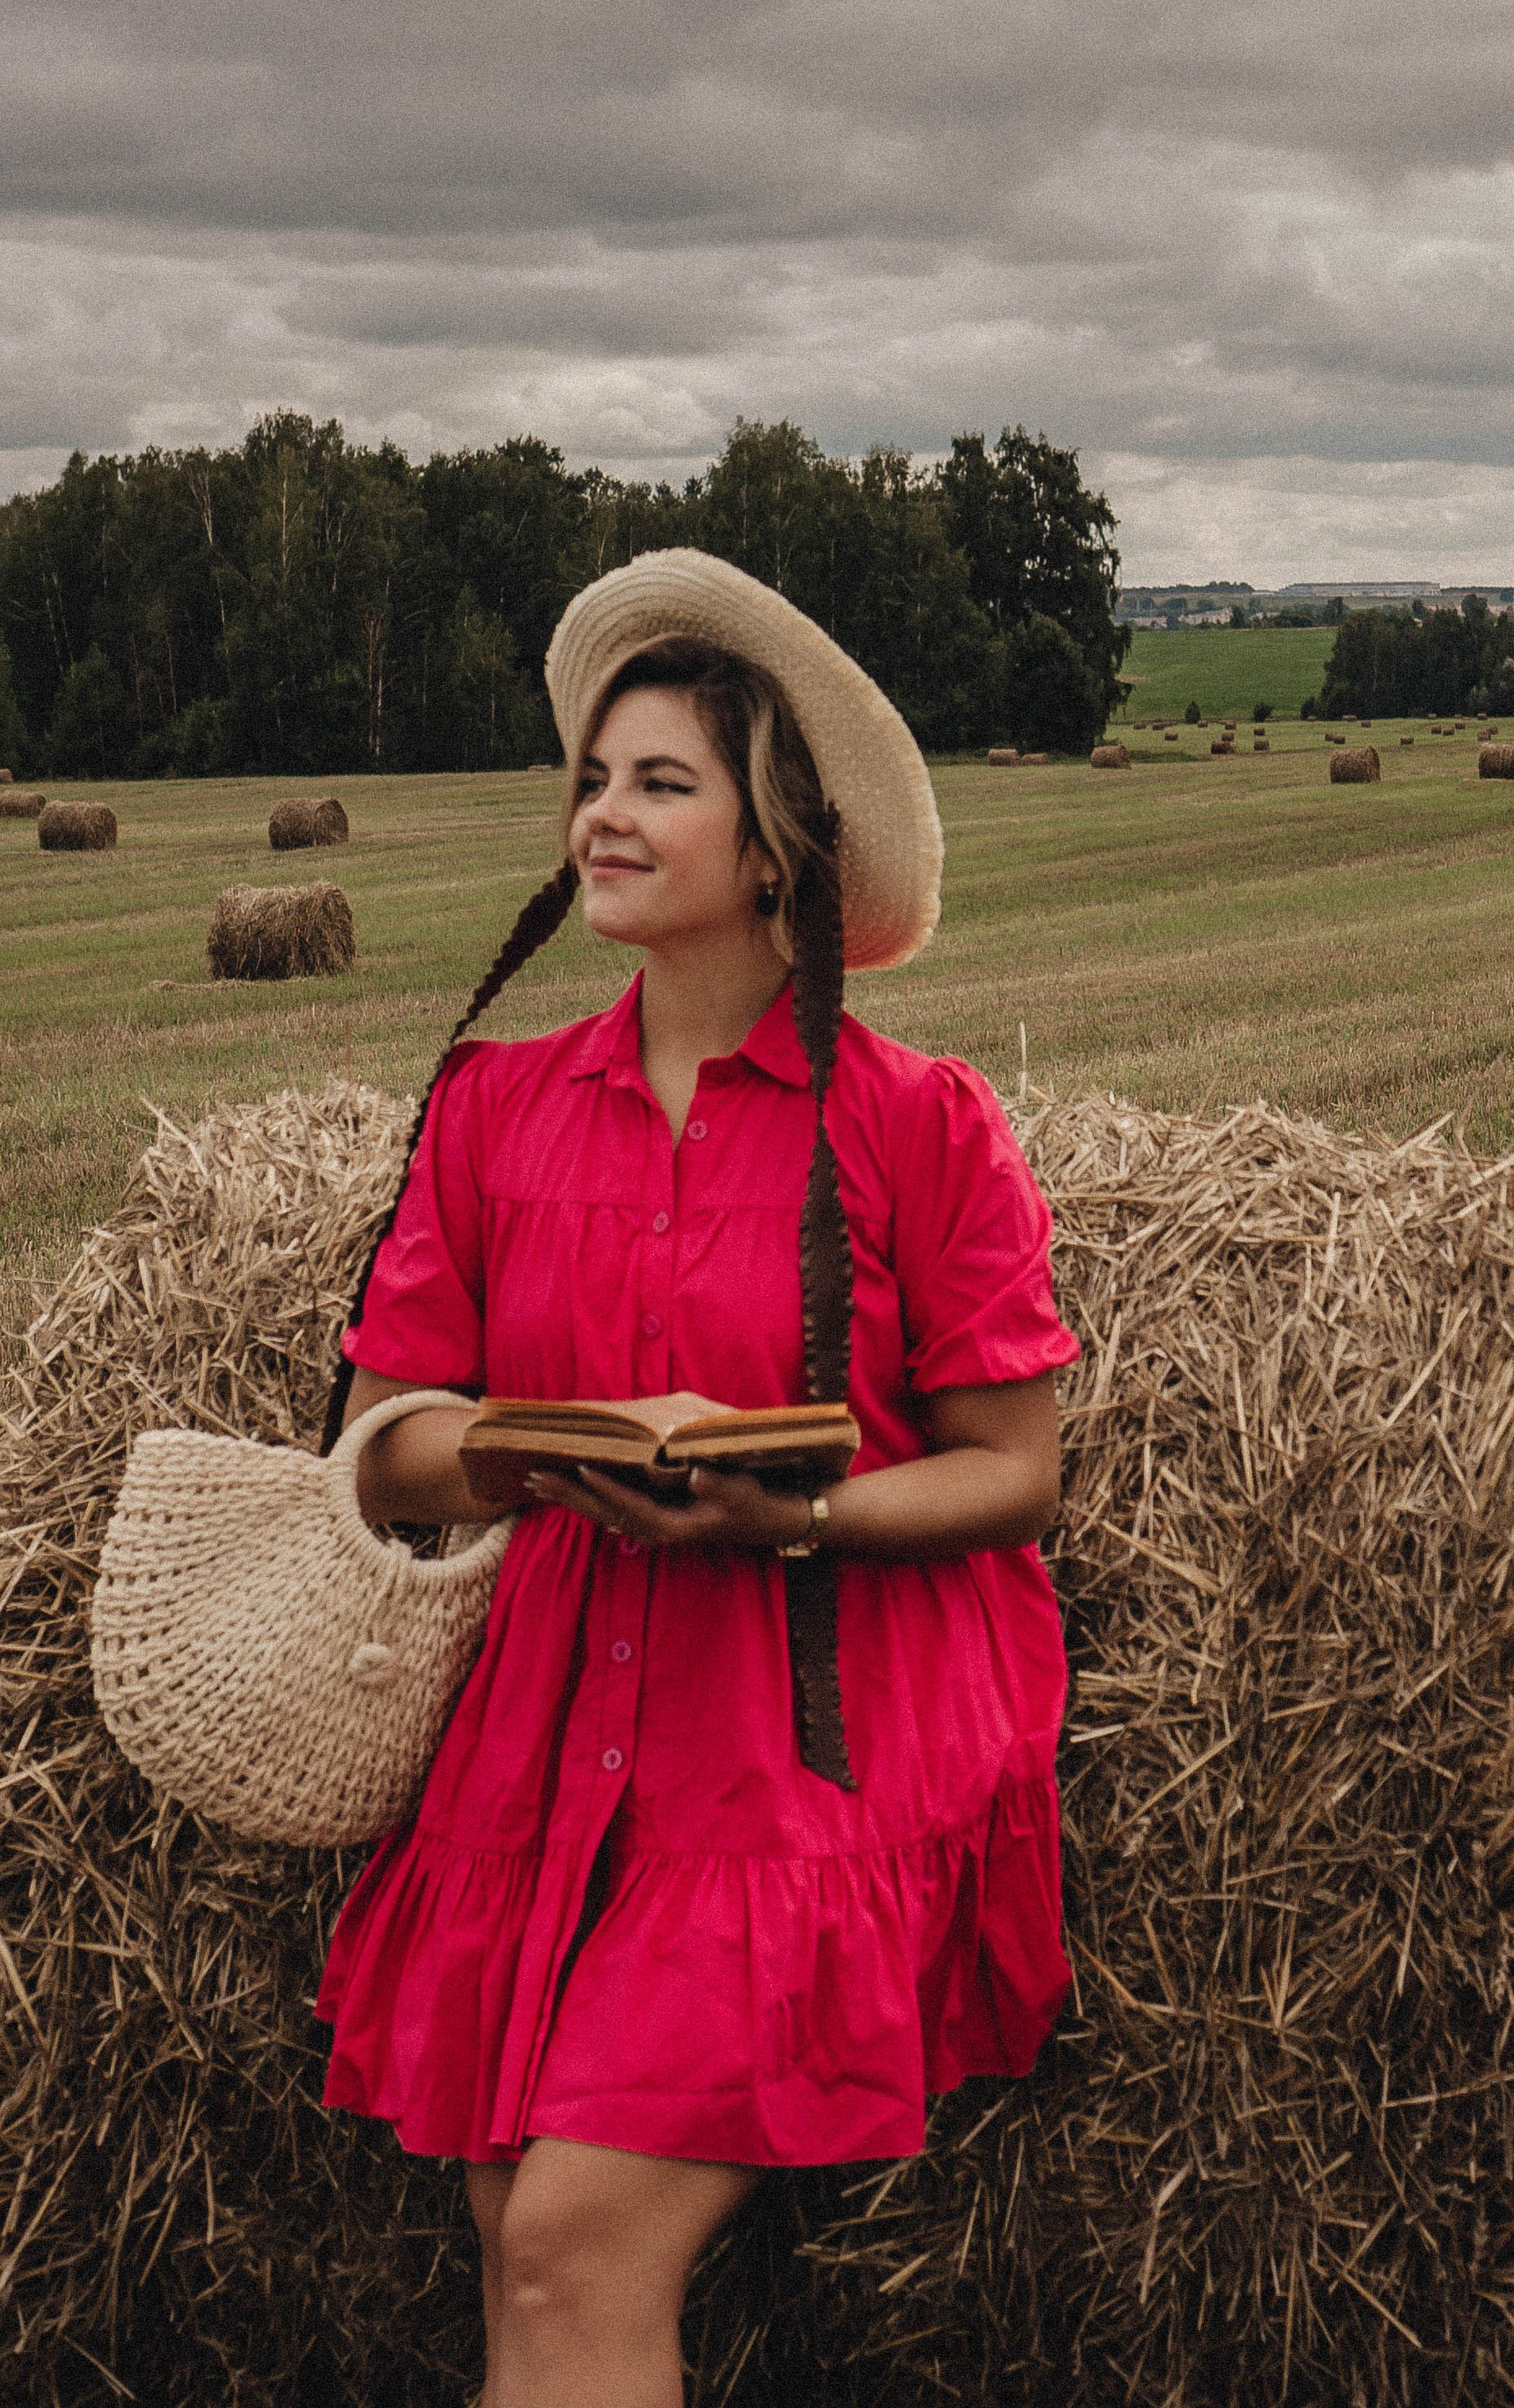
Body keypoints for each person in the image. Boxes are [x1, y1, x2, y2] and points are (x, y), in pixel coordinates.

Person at [315, 551, 1077, 2408]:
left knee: (571, 2252)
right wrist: (521, 1447)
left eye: (661, 783)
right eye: (593, 778)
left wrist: (789, 1512)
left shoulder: (915, 1123)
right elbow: (386, 1440)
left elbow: (1016, 1467)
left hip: (815, 1722)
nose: (603, 815)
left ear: (775, 846)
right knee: (525, 2255)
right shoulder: (495, 1106)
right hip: (558, 1719)